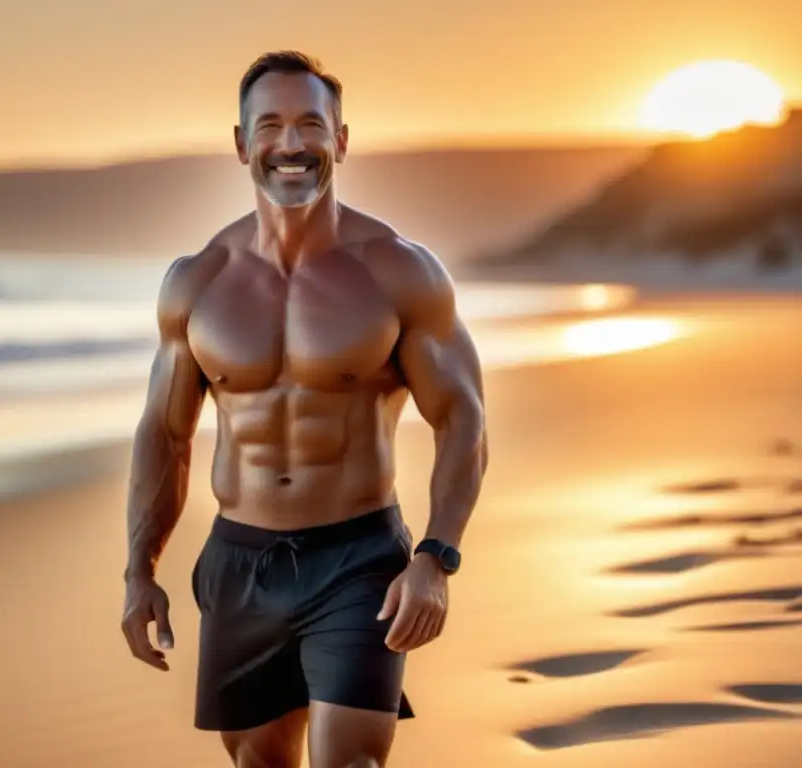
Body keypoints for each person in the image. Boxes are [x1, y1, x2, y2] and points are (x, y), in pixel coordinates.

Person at [121, 50, 488, 768]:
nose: (291, 145)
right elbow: (166, 435)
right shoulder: (198, 281)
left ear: (341, 140)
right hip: (240, 562)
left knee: (351, 762)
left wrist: (436, 557)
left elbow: (463, 419)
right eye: (271, 126)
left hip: (358, 560)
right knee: (259, 763)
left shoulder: (397, 271)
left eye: (311, 125)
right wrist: (140, 570)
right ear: (241, 143)